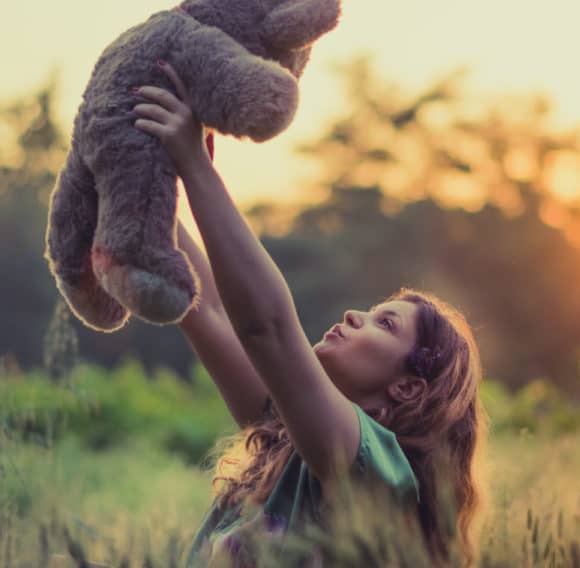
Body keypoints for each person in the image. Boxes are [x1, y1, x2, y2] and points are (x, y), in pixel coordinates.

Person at [131, 60, 490, 567]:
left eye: (384, 323)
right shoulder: (285, 433)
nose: (353, 315)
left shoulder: (375, 471)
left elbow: (268, 330)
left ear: (408, 389)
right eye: (372, 311)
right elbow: (204, 306)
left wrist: (197, 169)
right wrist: (145, 178)